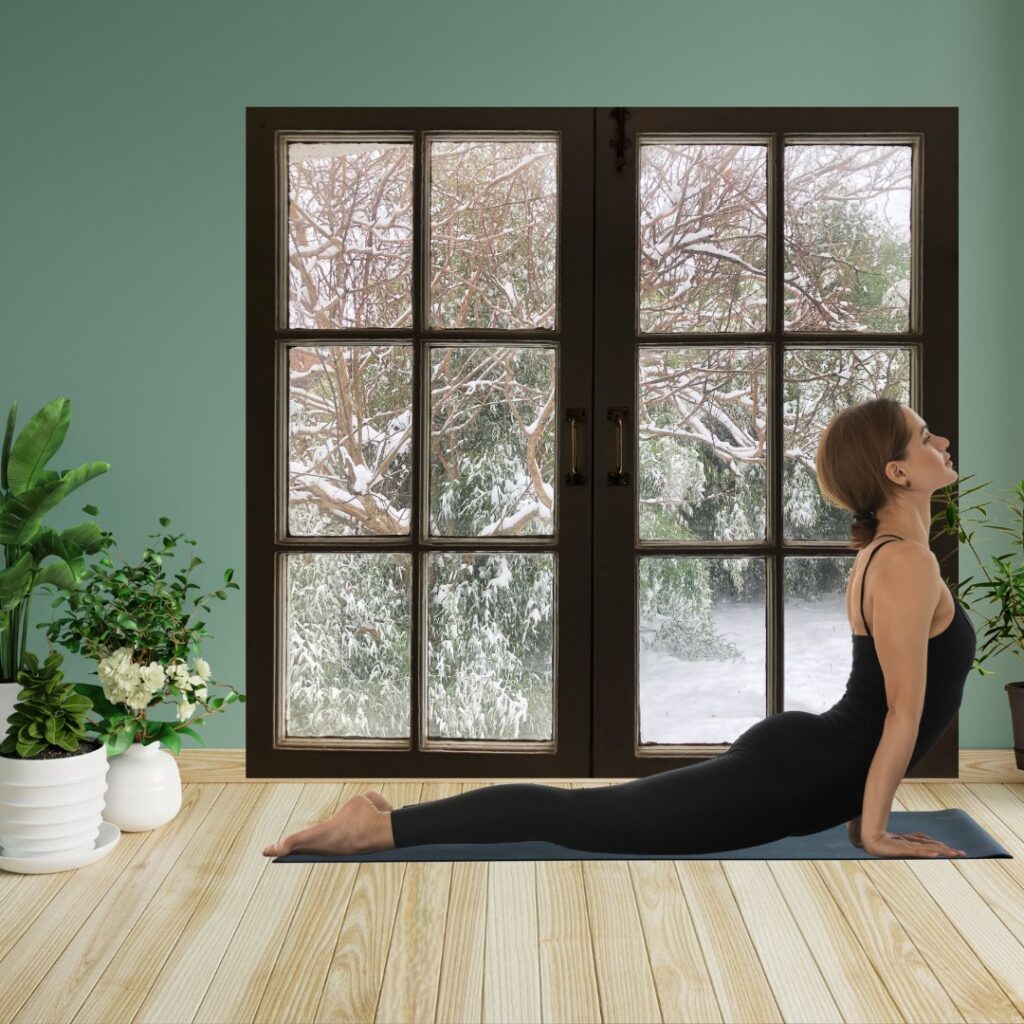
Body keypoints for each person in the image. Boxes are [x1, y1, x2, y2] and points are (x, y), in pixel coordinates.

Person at [262, 399, 974, 860]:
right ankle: (378, 826)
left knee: (588, 817)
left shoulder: (892, 556)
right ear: (897, 471)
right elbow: (902, 711)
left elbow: (886, 707)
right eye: (923, 435)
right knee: (580, 820)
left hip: (811, 764)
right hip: (800, 774)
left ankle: (383, 819)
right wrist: (872, 831)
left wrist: (858, 816)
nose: (939, 439)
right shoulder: (905, 563)